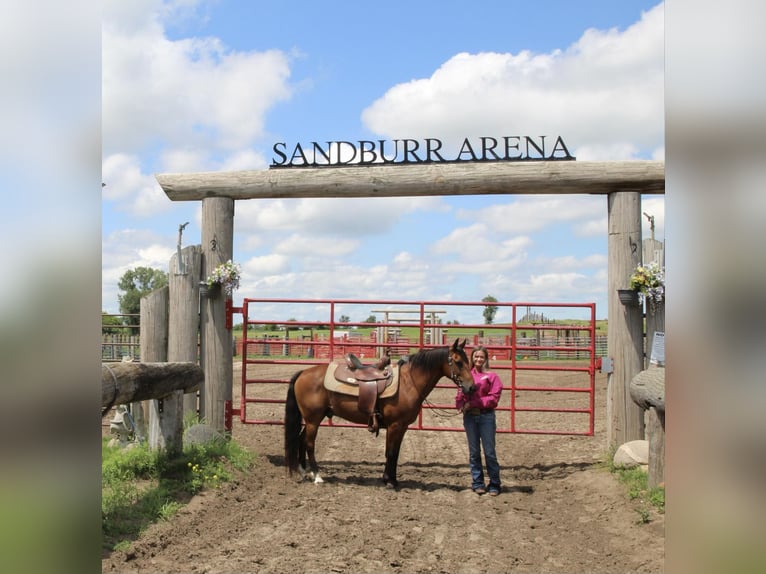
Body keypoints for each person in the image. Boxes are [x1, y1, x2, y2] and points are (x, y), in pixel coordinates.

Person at [455, 346, 503, 496]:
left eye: (481, 357)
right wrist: (460, 405)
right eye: (476, 357)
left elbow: (493, 398)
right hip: (470, 417)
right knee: (474, 452)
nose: (478, 360)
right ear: (472, 358)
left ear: (486, 359)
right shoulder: (467, 375)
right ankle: (478, 483)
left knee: (489, 452)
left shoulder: (492, 377)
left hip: (486, 416)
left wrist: (473, 404)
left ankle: (494, 483)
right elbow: (459, 394)